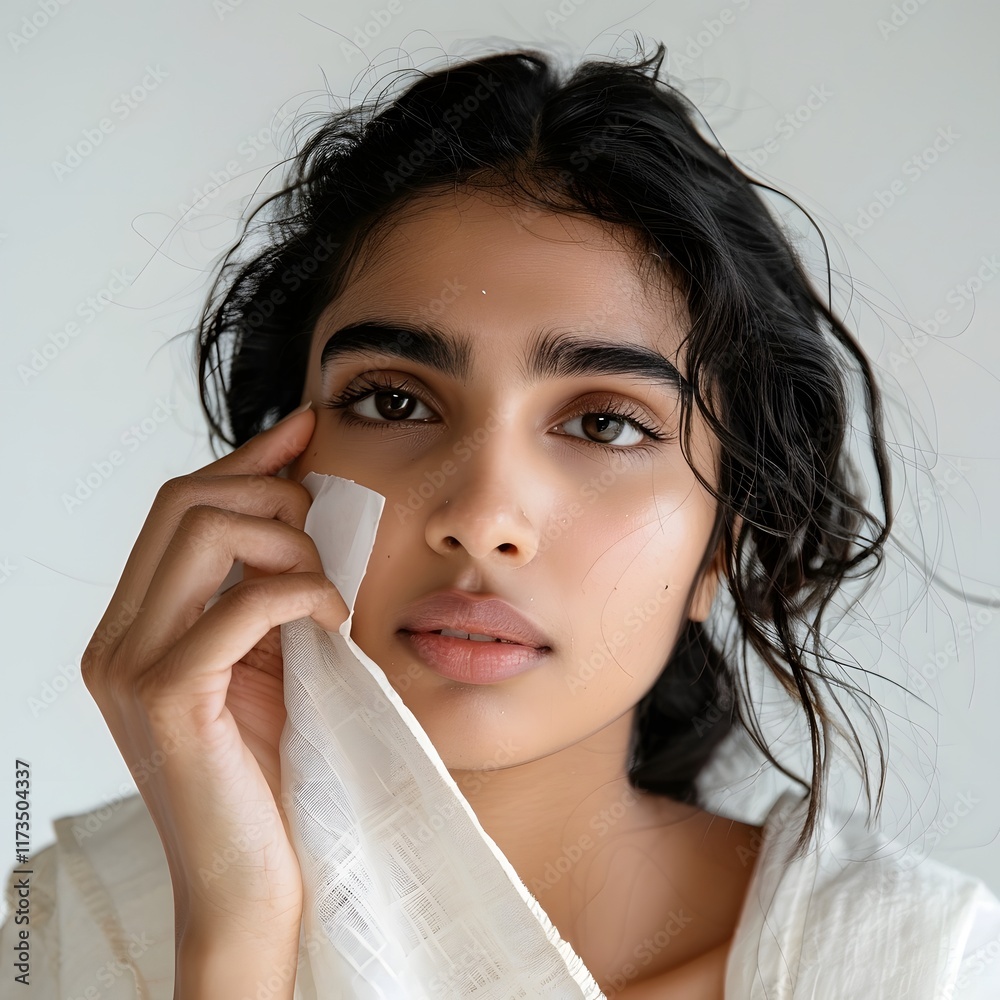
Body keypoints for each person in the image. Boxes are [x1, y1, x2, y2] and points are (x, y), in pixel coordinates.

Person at [4, 41, 999, 999]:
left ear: (719, 546)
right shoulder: (54, 935)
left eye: (604, 422)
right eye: (393, 400)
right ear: (280, 473)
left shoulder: (913, 968)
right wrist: (232, 931)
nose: (482, 519)